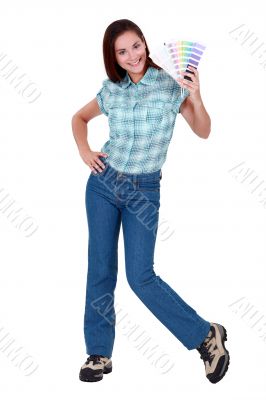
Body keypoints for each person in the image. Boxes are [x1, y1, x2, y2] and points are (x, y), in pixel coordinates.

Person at [71, 19, 230, 384]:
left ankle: (206, 335)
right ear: (114, 57)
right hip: (103, 185)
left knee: (140, 276)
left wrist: (197, 95)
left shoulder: (171, 84)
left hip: (143, 190)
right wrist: (84, 150)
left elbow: (203, 131)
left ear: (145, 43)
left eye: (136, 46)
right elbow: (78, 118)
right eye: (122, 52)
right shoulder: (111, 90)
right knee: (100, 270)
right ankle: (99, 353)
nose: (132, 56)